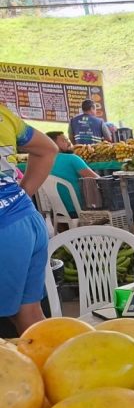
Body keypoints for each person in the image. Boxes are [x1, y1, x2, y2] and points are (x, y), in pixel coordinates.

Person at [1, 103, 58, 333]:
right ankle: (62, 368)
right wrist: (21, 195)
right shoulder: (4, 114)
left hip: (4, 229)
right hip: (25, 219)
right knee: (29, 314)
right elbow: (48, 149)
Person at [44, 131, 100, 218]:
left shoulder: (41, 161)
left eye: (67, 139)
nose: (69, 142)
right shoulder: (72, 159)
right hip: (77, 210)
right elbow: (97, 179)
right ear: (52, 144)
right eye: (64, 140)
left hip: (54, 213)